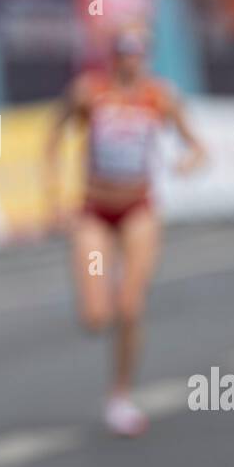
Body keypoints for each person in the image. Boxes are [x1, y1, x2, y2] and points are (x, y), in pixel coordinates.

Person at [46, 25, 206, 437]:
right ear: (112, 55)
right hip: (95, 210)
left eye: (138, 52)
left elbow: (198, 146)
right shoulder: (89, 92)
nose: (130, 60)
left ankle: (120, 396)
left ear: (146, 56)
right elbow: (54, 135)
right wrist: (53, 197)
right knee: (97, 317)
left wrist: (188, 163)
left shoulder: (159, 96)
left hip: (139, 208)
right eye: (123, 51)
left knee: (131, 308)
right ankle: (102, 294)